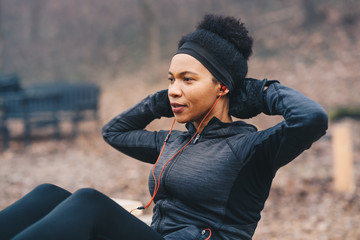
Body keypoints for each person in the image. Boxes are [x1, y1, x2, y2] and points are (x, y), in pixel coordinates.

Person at [0, 14, 328, 240]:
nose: (174, 88)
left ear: (222, 86)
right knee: (48, 194)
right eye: (171, 79)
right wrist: (162, 100)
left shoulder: (252, 149)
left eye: (188, 79)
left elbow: (311, 118)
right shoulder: (173, 141)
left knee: (89, 202)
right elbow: (113, 131)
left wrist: (258, 92)